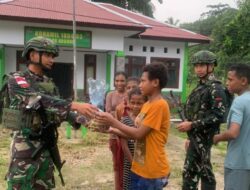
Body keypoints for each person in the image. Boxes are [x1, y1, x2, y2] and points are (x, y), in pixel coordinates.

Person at [2, 36, 98, 189]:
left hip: (46, 144)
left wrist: (82, 120)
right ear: (33, 55)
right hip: (25, 145)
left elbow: (57, 109)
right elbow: (35, 99)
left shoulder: (49, 83)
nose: (51, 59)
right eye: (47, 55)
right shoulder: (17, 79)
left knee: (44, 183)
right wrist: (74, 105)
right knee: (22, 184)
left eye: (53, 56)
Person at [97, 62, 170, 190]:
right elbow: (136, 134)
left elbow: (138, 134)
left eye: (143, 81)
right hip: (141, 166)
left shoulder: (159, 105)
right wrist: (111, 129)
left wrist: (113, 121)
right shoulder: (147, 105)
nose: (140, 85)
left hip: (152, 170)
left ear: (155, 82)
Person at [176, 50, 228, 190]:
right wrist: (190, 133)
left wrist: (192, 125)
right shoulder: (201, 86)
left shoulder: (215, 87)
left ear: (211, 66)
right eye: (196, 65)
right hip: (195, 137)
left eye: (202, 65)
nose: (198, 69)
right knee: (203, 171)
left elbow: (219, 115)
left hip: (204, 138)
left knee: (192, 174)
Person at [213, 63, 250, 190]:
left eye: (230, 79)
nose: (227, 83)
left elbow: (233, 132)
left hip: (238, 163)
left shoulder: (239, 102)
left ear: (244, 81)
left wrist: (217, 137)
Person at [120, 87, 147, 190]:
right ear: (128, 102)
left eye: (139, 103)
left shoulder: (148, 120)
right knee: (130, 186)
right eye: (132, 102)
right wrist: (134, 164)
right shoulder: (125, 120)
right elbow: (124, 145)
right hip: (130, 162)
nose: (135, 106)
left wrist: (141, 165)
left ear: (145, 103)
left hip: (145, 162)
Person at [105, 71, 127, 190]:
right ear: (114, 82)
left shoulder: (129, 94)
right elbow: (108, 113)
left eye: (122, 80)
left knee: (128, 163)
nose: (119, 83)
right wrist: (119, 113)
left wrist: (116, 114)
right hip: (114, 134)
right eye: (117, 80)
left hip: (128, 133)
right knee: (117, 164)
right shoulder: (110, 95)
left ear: (126, 81)